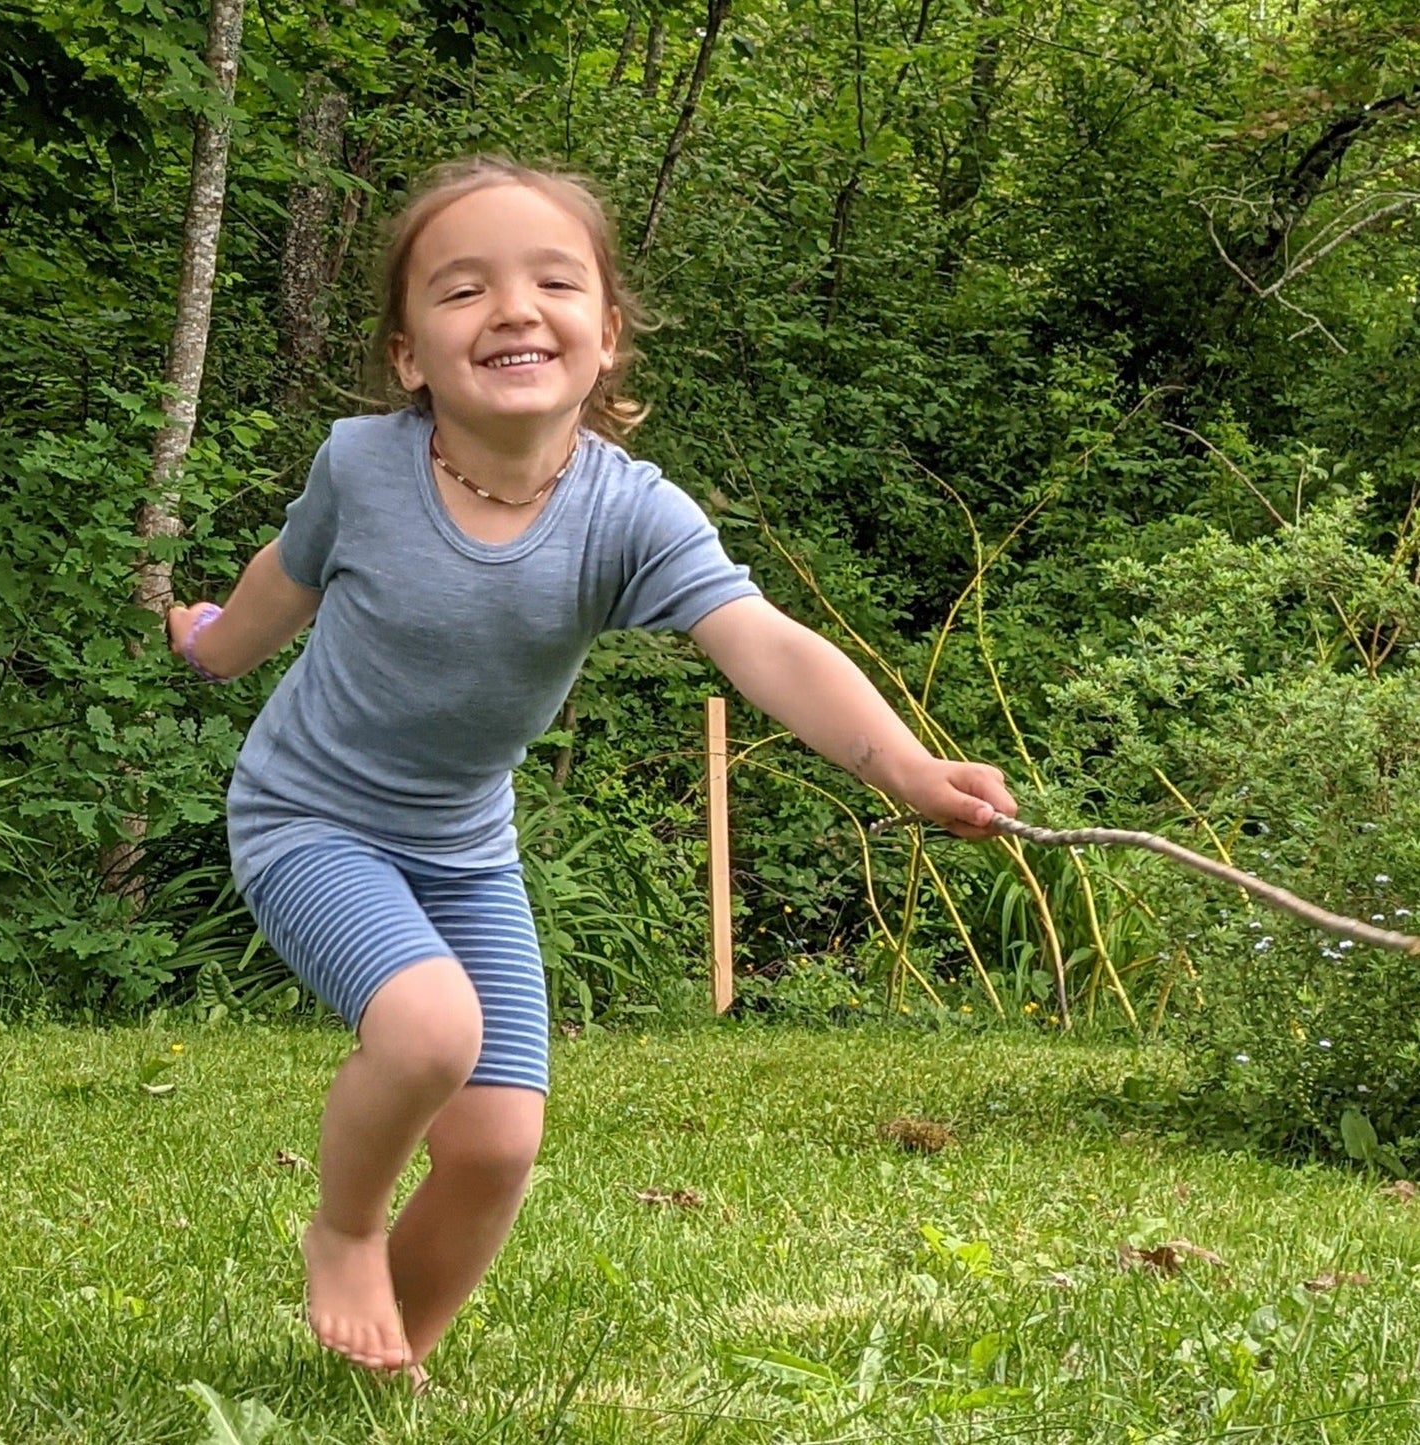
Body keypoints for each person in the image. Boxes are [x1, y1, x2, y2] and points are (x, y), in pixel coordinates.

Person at [165, 155, 1017, 1381]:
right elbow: (279, 582)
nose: (511, 307)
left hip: (463, 847)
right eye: (461, 291)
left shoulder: (630, 515)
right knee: (425, 1029)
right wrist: (208, 648)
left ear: (605, 334)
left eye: (551, 280)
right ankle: (342, 1226)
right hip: (311, 818)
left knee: (499, 1140)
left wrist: (903, 765)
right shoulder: (360, 468)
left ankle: (375, 1370)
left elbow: (763, 643)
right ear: (408, 354)